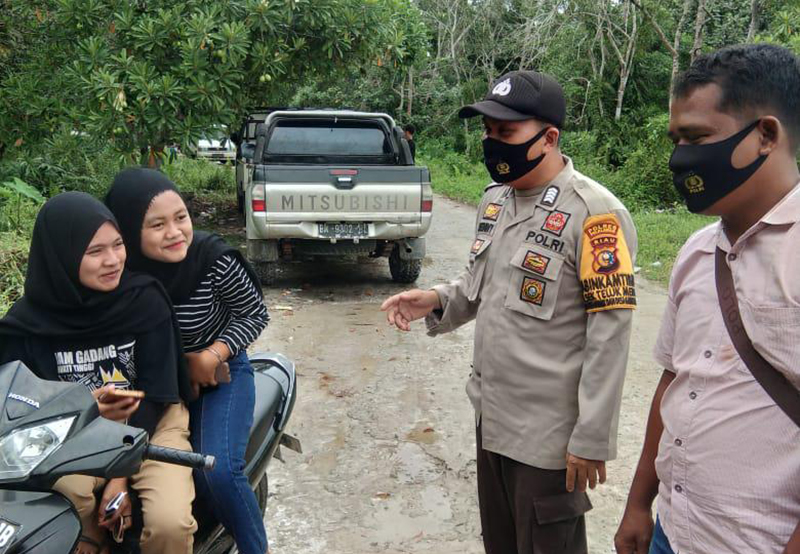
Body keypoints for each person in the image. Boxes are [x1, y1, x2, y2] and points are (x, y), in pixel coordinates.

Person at [382, 70, 638, 554]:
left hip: (548, 438)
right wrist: (435, 299)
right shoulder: (495, 200)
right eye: (488, 130)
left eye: (506, 131)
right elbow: (483, 286)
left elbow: (610, 334)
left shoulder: (595, 214)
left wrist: (591, 438)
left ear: (550, 138)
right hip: (492, 418)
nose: (492, 142)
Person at [614, 44, 800, 554]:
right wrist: (638, 503)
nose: (680, 158)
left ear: (766, 136)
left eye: (696, 138)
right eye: (676, 140)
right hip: (673, 532)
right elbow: (675, 380)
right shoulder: (698, 251)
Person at [0, 192, 196, 554]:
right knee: (56, 513)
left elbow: (157, 394)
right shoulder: (25, 326)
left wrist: (119, 476)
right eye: (95, 252)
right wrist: (83, 408)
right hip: (68, 435)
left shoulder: (144, 302)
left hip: (151, 423)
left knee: (169, 523)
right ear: (61, 255)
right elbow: (19, 404)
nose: (113, 260)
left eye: (118, 245)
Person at [106, 168, 270, 554]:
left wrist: (213, 353)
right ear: (128, 230)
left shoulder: (213, 260)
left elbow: (254, 314)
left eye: (181, 217)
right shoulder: (117, 273)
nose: (175, 232)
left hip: (220, 375)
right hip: (155, 383)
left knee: (219, 472)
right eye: (157, 224)